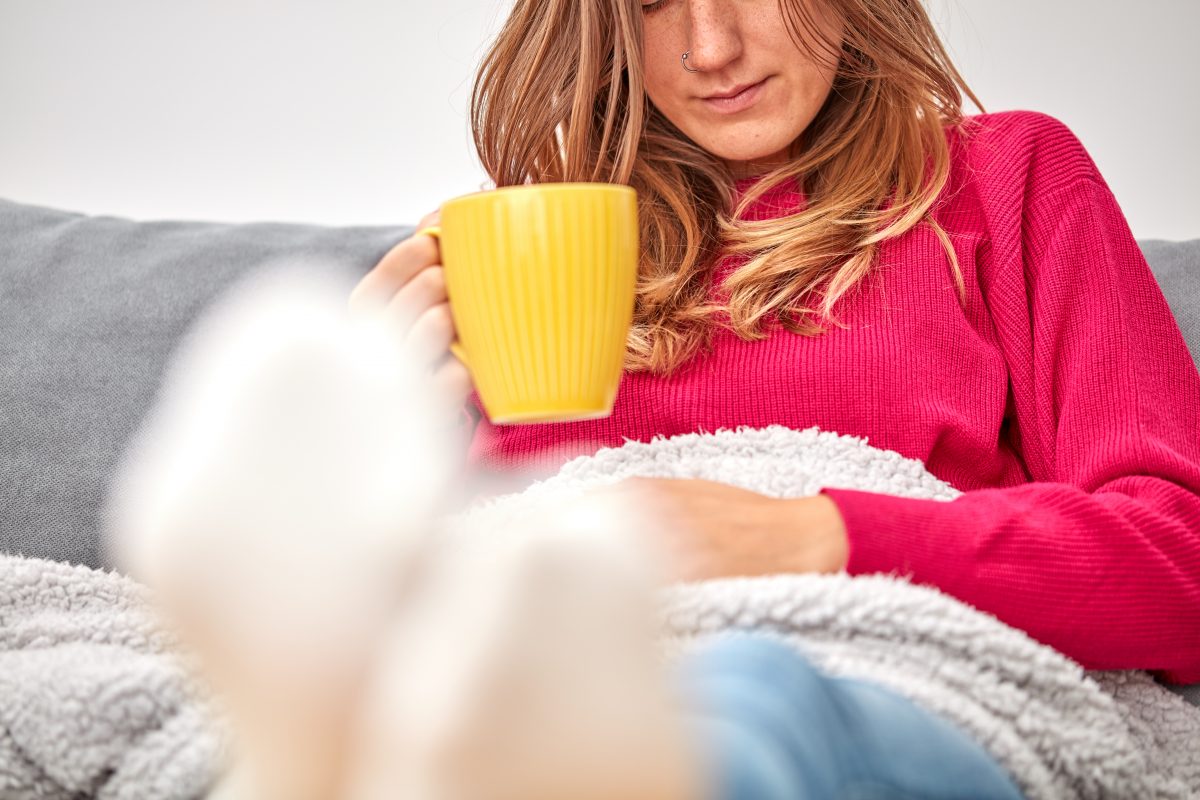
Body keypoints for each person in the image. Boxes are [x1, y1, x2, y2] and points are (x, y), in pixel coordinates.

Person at [345, 0, 1200, 797]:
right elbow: (424, 610)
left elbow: (1184, 561)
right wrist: (365, 444)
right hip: (559, 694)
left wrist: (812, 535)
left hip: (879, 691)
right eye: (649, 2)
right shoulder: (520, 262)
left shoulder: (1007, 177)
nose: (710, 49)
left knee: (746, 697)